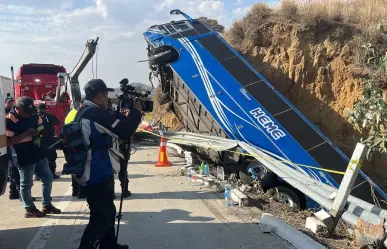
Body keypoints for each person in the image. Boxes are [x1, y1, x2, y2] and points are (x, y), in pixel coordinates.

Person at [76, 79, 142, 249]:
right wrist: (136, 112)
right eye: (107, 96)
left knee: (108, 212)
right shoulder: (95, 113)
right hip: (95, 171)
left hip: (97, 169)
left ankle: (109, 245)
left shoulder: (85, 110)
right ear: (100, 95)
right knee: (100, 217)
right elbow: (125, 131)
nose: (108, 100)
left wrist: (121, 115)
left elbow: (113, 123)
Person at [6, 96, 61, 218]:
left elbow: (40, 126)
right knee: (26, 184)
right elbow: (6, 142)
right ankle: (29, 208)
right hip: (23, 156)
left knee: (48, 178)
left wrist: (40, 131)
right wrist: (25, 134)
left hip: (38, 153)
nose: (30, 115)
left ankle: (47, 204)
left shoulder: (33, 115)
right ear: (18, 108)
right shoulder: (9, 120)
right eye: (27, 112)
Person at [64, 98, 88, 199]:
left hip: (69, 143)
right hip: (78, 144)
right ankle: (81, 192)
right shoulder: (81, 113)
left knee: (74, 168)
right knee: (81, 168)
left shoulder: (72, 112)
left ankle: (75, 190)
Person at [37, 103, 60, 179]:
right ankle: (52, 173)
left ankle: (37, 175)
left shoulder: (35, 116)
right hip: (49, 139)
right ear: (45, 108)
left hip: (38, 139)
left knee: (39, 157)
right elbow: (57, 122)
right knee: (51, 156)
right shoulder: (49, 116)